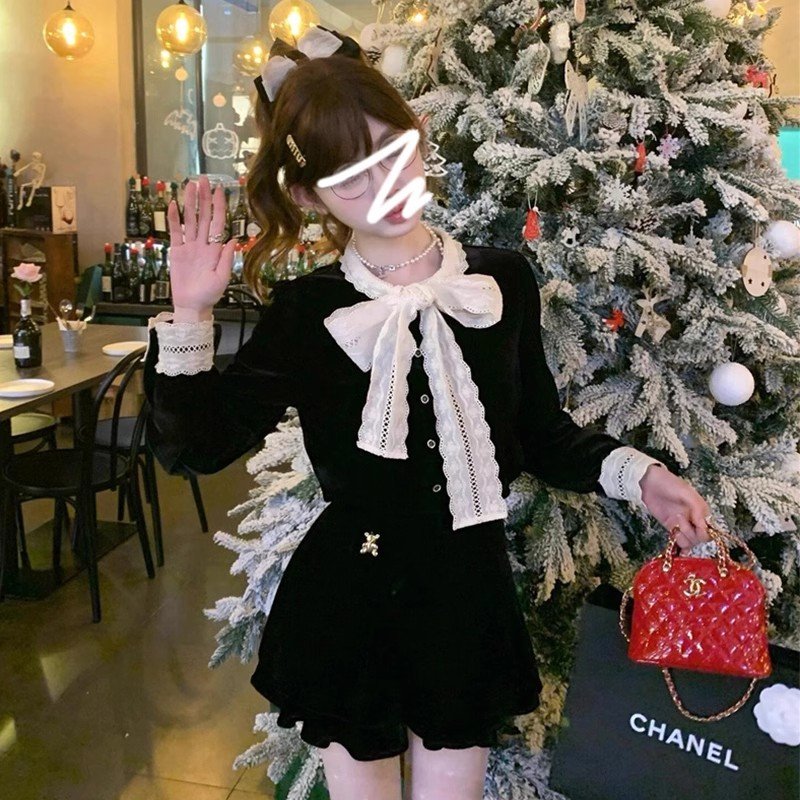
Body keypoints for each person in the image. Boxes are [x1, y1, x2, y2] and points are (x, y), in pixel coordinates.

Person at [142, 26, 713, 800]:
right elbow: (198, 448)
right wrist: (190, 315)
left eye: (394, 152)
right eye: (353, 179)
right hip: (348, 598)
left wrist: (642, 478)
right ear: (308, 196)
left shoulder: (502, 281)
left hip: (464, 593)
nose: (387, 187)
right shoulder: (308, 311)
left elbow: (541, 433)